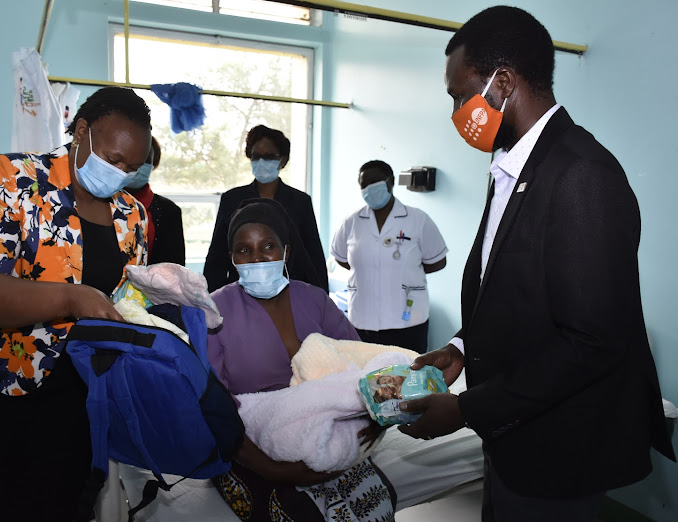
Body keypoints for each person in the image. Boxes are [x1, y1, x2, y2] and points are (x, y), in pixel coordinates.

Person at [397, 7, 676, 522]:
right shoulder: (513, 166)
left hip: (558, 451)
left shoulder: (581, 175)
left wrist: (465, 410)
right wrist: (463, 347)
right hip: (513, 436)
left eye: (461, 95)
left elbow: (593, 341)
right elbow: (516, 291)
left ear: (502, 83)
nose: (457, 110)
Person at [0, 86, 152, 522]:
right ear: (82, 132)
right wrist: (70, 296)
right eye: (112, 159)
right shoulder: (11, 179)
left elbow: (126, 304)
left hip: (75, 399)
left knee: (62, 505)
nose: (120, 173)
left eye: (130, 167)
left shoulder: (132, 217)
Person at [207, 198, 395, 521]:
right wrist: (273, 469)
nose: (257, 258)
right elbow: (211, 404)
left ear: (286, 252)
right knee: (294, 513)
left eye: (268, 246)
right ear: (232, 259)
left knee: (378, 502)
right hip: (248, 447)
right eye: (244, 250)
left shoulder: (314, 300)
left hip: (325, 433)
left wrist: (378, 416)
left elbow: (360, 362)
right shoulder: (214, 312)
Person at [331, 160, 447, 352]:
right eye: (364, 184)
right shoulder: (351, 222)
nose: (370, 188)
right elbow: (341, 258)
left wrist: (404, 270)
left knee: (407, 375)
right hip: (363, 319)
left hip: (408, 321)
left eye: (375, 182)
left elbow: (437, 261)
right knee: (365, 376)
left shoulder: (418, 219)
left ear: (390, 182)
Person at [203, 124, 329, 293]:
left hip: (291, 291)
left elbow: (313, 255)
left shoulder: (300, 201)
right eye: (256, 156)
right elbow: (217, 256)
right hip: (241, 291)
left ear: (282, 160)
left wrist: (321, 298)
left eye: (269, 156)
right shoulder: (232, 199)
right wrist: (211, 300)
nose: (262, 162)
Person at [126, 136, 187, 265]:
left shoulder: (169, 211)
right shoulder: (99, 202)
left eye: (144, 159)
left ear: (155, 162)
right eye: (130, 159)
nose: (137, 165)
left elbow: (175, 268)